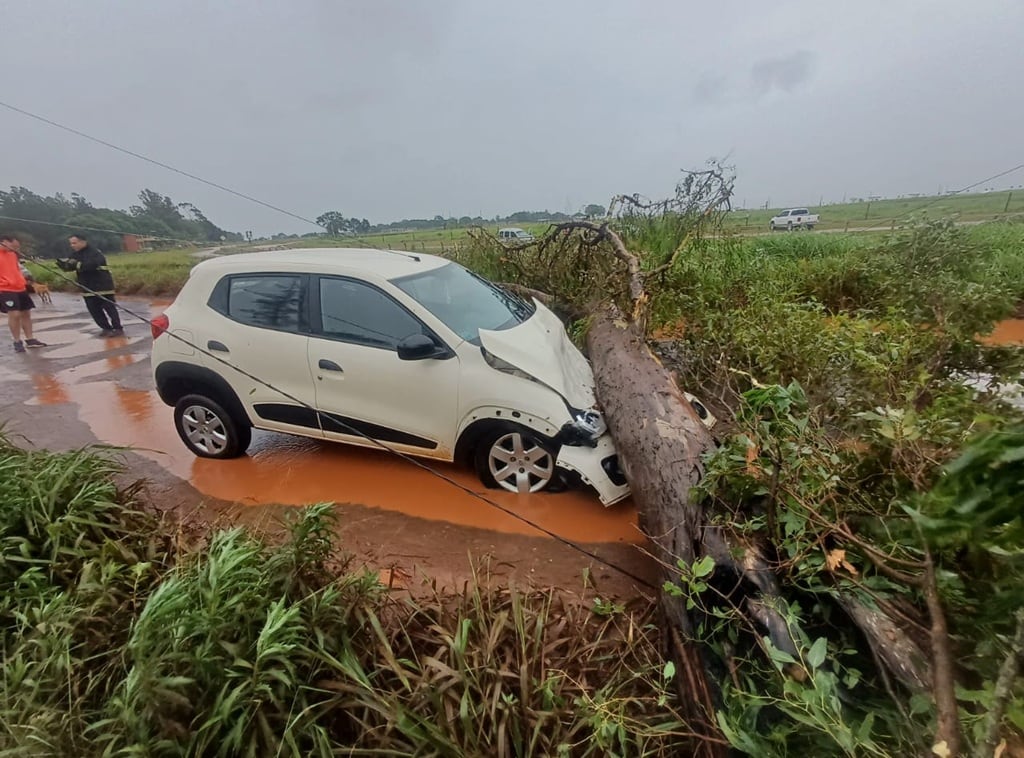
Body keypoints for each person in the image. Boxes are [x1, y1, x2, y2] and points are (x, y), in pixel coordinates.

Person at [57, 233, 123, 337]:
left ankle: (118, 328)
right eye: (71, 244)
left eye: (74, 243)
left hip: (102, 285)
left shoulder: (95, 252)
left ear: (83, 241)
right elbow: (72, 265)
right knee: (94, 309)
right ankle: (106, 328)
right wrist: (64, 265)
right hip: (87, 286)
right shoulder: (75, 254)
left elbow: (91, 265)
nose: (72, 246)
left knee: (109, 308)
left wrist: (77, 264)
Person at [0, 233, 47, 353]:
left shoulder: (12, 255)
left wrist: (26, 277)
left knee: (26, 313)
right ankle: (17, 341)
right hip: (5, 289)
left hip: (20, 287)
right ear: (4, 242)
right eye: (14, 246)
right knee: (14, 314)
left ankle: (30, 339)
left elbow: (18, 268)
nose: (16, 249)